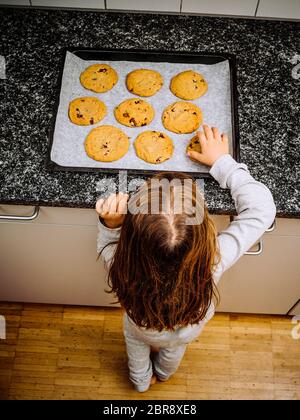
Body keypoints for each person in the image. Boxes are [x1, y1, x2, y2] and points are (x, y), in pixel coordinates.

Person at [96, 125, 276, 392]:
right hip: (188, 328)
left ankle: (142, 382)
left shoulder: (123, 263)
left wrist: (109, 224)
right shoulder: (214, 258)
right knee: (174, 350)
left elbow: (109, 244)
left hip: (140, 325)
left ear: (131, 237)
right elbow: (262, 209)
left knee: (135, 344)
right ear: (206, 234)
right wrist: (223, 163)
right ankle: (164, 374)